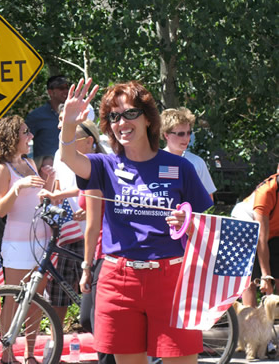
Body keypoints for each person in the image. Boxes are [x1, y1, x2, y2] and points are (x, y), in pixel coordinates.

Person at [60, 78, 213, 364]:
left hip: (171, 280)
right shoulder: (104, 165)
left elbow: (205, 223)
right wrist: (69, 122)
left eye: (130, 113)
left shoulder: (178, 167)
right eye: (114, 116)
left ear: (148, 119)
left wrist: (187, 220)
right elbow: (68, 156)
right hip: (118, 280)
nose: (122, 122)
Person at [0, 115, 56, 364]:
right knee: (14, 299)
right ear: (12, 137)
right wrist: (18, 187)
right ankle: (7, 353)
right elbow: (1, 209)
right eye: (26, 132)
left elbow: (40, 199)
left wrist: (49, 180)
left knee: (36, 299)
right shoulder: (2, 168)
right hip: (17, 242)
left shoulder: (29, 163)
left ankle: (30, 353)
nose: (31, 137)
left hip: (41, 240)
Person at [41, 119, 105, 326]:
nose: (65, 142)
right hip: (70, 231)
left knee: (94, 305)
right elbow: (62, 186)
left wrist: (90, 211)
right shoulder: (62, 153)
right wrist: (53, 194)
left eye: (72, 139)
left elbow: (95, 192)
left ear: (89, 141)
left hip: (97, 239)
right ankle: (54, 346)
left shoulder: (101, 160)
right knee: (59, 295)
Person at [231, 173, 279, 305]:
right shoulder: (266, 192)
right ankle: (250, 319)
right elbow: (261, 239)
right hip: (246, 226)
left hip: (274, 230)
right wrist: (266, 277)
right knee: (252, 277)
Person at [26, 75, 95, 158]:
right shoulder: (36, 116)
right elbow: (22, 142)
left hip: (74, 166)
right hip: (46, 169)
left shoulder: (78, 113)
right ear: (50, 92)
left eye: (67, 88)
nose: (66, 91)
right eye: (61, 88)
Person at [161, 107, 216, 201]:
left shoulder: (197, 163)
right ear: (166, 135)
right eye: (181, 134)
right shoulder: (154, 161)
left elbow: (209, 198)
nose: (186, 138)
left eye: (189, 133)